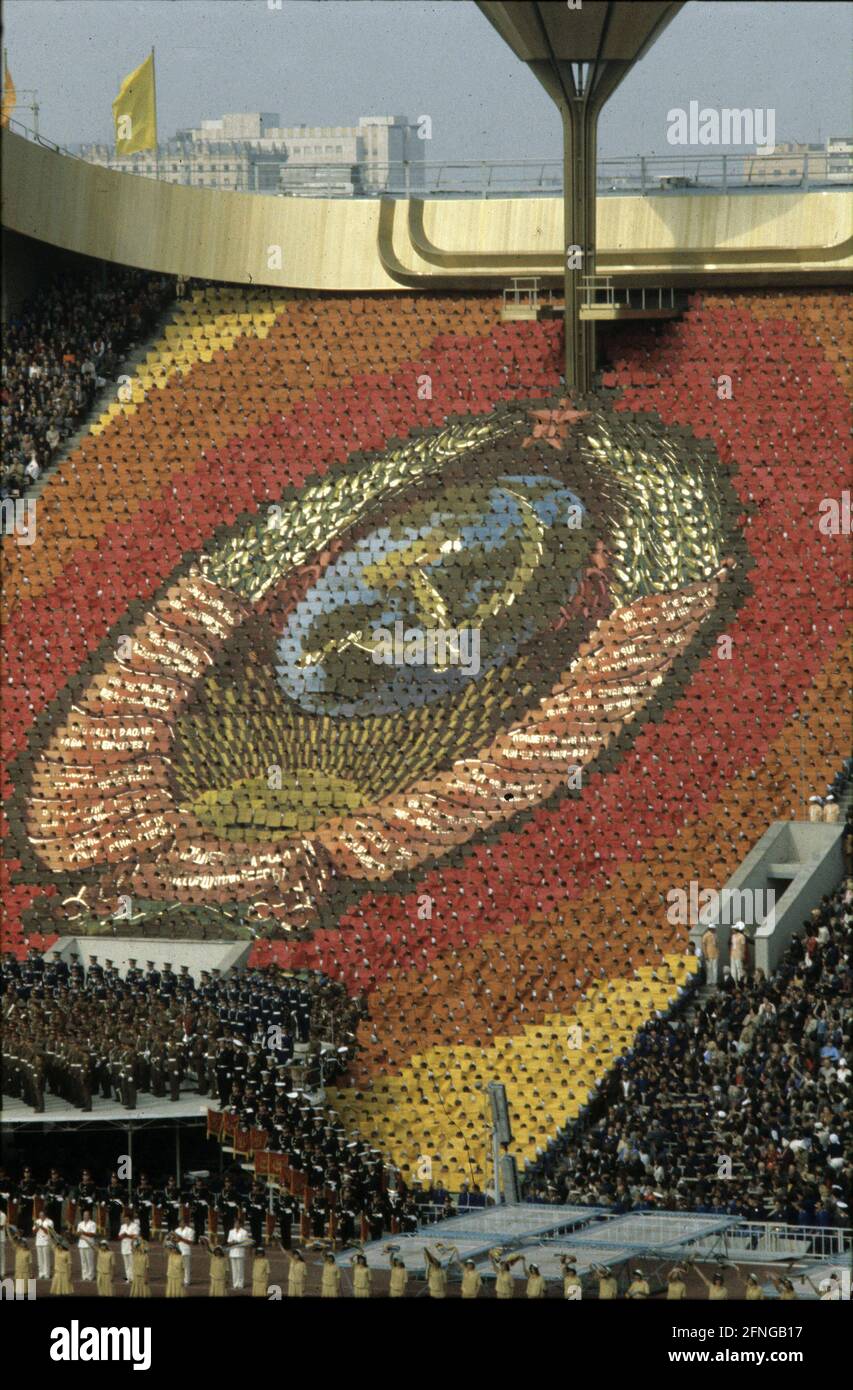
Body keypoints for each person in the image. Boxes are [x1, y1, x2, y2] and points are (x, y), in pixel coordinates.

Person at [227, 1217, 252, 1290]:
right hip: (232, 1252)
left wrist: (238, 1243)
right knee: (234, 1269)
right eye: (235, 1223)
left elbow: (246, 1243)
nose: (236, 1224)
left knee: (240, 1269)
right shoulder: (231, 1231)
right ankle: (235, 1284)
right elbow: (229, 1241)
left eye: (237, 1223)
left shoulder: (244, 1232)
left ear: (240, 1224)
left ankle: (240, 1284)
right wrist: (232, 1242)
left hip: (240, 1252)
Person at [118, 1209, 140, 1283]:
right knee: (126, 1264)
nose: (126, 1220)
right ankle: (128, 1278)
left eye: (127, 1219)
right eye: (125, 1219)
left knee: (132, 1263)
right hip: (124, 1246)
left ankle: (133, 1278)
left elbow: (136, 1235)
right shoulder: (123, 1226)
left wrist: (127, 1235)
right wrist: (123, 1235)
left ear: (130, 1219)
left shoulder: (135, 1226)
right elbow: (119, 1236)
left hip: (132, 1247)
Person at [76, 1207, 98, 1282]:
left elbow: (93, 1234)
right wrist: (79, 1233)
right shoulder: (80, 1224)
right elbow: (78, 1233)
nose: (85, 1216)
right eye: (84, 1215)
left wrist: (84, 1233)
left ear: (89, 1216)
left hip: (89, 1244)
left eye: (87, 1215)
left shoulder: (93, 1224)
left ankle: (91, 1275)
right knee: (83, 1261)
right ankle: (84, 1275)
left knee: (90, 1261)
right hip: (81, 1244)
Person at [34, 1210, 56, 1280]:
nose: (41, 1216)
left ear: (45, 1215)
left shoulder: (50, 1222)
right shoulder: (37, 1221)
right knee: (40, 1259)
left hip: (46, 1241)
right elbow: (34, 1231)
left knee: (46, 1258)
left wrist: (41, 1227)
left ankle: (47, 1274)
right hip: (38, 1241)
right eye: (40, 1215)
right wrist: (37, 1227)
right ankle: (41, 1273)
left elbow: (49, 1232)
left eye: (42, 1215)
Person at [172, 1217, 195, 1287]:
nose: (181, 1224)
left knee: (186, 1267)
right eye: (180, 1222)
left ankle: (187, 1281)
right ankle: (180, 1280)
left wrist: (181, 1239)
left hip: (186, 1250)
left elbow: (191, 1242)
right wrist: (173, 1239)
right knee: (178, 1266)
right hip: (178, 1250)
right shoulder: (176, 1230)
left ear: (185, 1223)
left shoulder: (190, 1230)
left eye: (182, 1222)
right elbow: (175, 1240)